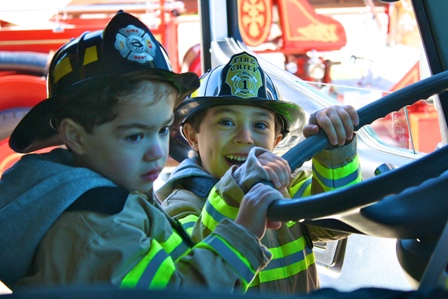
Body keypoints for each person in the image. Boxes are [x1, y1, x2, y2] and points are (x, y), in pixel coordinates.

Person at [0, 12, 281, 292]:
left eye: (162, 130)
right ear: (75, 136)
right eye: (134, 136)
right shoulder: (97, 225)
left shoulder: (118, 195)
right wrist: (241, 235)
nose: (157, 152)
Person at [156, 51, 361, 295]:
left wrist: (336, 148)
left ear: (276, 140)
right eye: (226, 122)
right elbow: (202, 271)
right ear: (192, 136)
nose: (246, 138)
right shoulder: (176, 209)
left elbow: (336, 221)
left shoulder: (289, 188)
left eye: (260, 125)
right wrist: (238, 188)